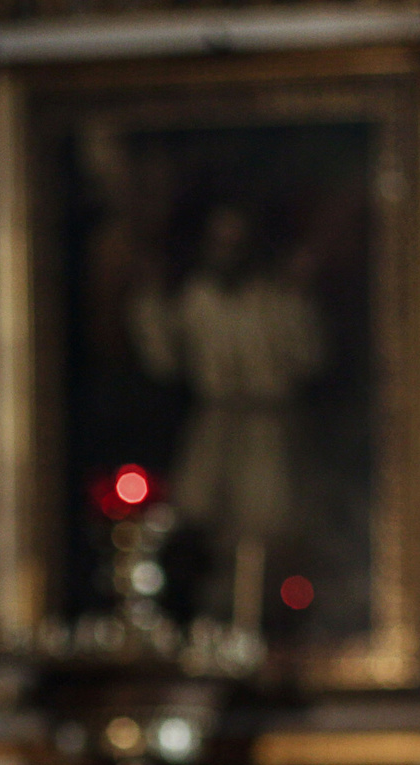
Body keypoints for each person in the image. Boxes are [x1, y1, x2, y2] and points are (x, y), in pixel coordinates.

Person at [127, 205, 324, 631]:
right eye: (219, 242)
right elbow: (164, 360)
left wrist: (300, 297)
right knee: (198, 517)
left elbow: (306, 357)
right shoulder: (196, 297)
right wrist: (147, 299)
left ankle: (259, 621)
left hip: (264, 427)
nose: (227, 252)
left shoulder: (272, 297)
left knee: (262, 525)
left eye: (235, 242)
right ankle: (210, 620)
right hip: (213, 425)